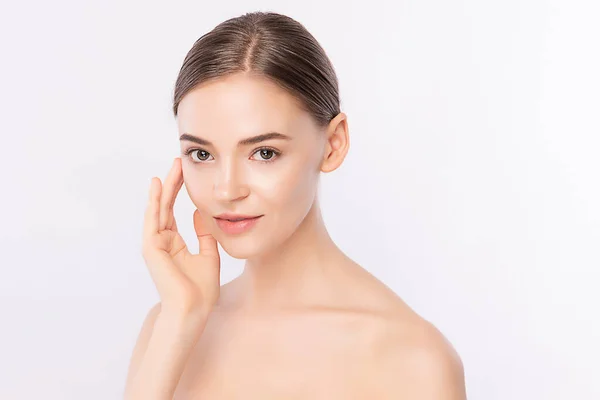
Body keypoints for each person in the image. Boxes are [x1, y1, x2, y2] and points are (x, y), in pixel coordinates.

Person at [123, 11, 466, 400]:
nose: (226, 190)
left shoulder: (411, 359)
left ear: (333, 144)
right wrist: (180, 319)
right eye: (202, 154)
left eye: (264, 152)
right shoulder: (168, 325)